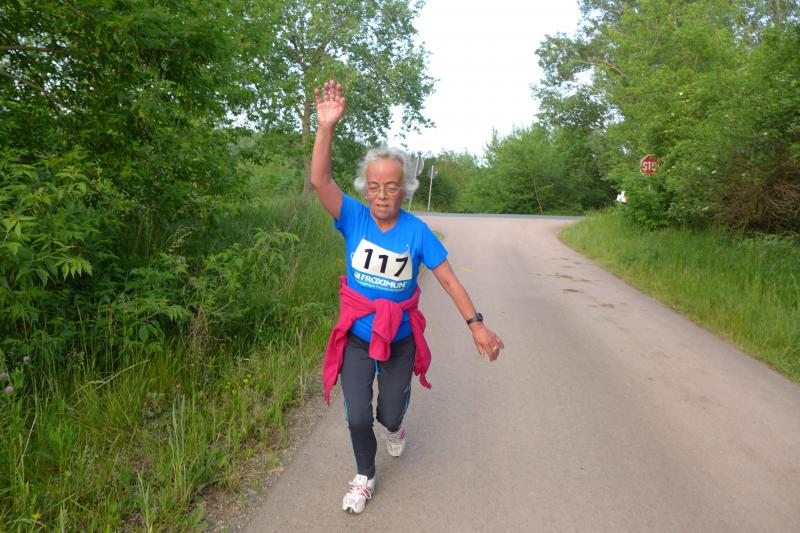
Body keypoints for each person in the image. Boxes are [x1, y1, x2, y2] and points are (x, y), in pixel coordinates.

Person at [312, 80, 504, 514]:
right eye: (375, 186)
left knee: (389, 414)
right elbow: (320, 180)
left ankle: (396, 428)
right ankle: (364, 476)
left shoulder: (417, 232)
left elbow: (450, 281)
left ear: (405, 189)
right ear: (365, 188)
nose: (382, 194)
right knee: (357, 416)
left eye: (392, 186)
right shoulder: (353, 216)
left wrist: (477, 325)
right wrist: (326, 128)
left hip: (399, 340)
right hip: (358, 337)